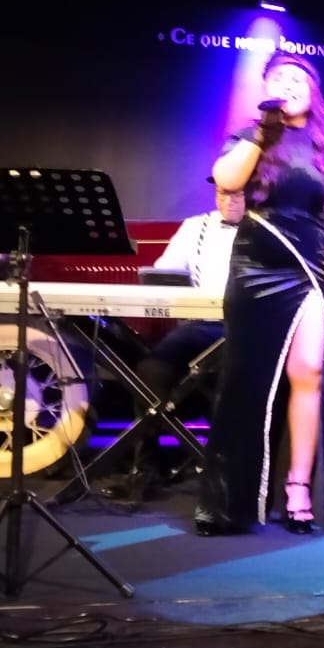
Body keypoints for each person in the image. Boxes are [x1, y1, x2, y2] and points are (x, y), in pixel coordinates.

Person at [193, 51, 324, 536]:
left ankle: (298, 488)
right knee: (247, 378)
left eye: (297, 78)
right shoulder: (251, 136)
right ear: (266, 89)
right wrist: (262, 134)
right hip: (257, 266)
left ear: (313, 89)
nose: (288, 84)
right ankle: (232, 501)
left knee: (308, 371)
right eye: (279, 78)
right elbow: (228, 182)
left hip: (311, 264)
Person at [98, 184, 241, 503]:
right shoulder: (196, 226)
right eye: (222, 192)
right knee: (151, 370)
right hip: (200, 325)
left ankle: (226, 470)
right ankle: (146, 469)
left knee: (228, 374)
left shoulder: (263, 230)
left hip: (245, 329)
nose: (228, 200)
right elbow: (164, 274)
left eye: (237, 193)